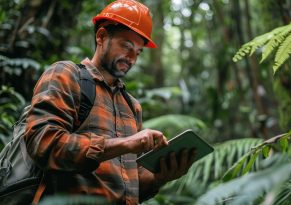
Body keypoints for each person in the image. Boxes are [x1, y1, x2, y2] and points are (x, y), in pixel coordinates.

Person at [24, 0, 195, 204]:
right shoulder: (66, 74)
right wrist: (125, 143)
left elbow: (130, 187)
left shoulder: (132, 106)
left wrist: (160, 178)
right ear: (101, 36)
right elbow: (43, 143)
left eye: (138, 52)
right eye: (126, 46)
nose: (132, 58)